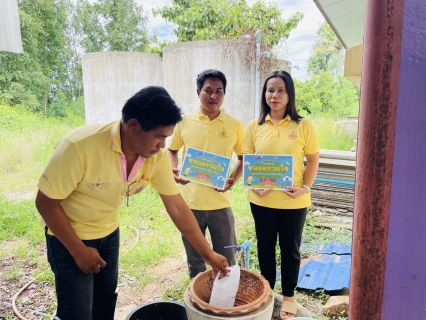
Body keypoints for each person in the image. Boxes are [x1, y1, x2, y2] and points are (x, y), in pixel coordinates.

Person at [35, 86, 229, 320]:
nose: (163, 146)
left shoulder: (154, 158)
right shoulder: (80, 146)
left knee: (105, 302)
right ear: (134, 126)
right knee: (76, 311)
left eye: (166, 137)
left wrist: (208, 254)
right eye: (159, 136)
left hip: (109, 232)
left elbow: (177, 206)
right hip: (68, 236)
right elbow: (45, 203)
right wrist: (78, 250)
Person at [242, 71, 319, 319]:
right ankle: (267, 292)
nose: (274, 95)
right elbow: (248, 161)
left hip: (293, 201)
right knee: (265, 247)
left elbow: (313, 160)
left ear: (289, 95)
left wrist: (305, 188)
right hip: (261, 201)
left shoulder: (304, 125)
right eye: (270, 90)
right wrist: (253, 185)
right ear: (264, 94)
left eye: (280, 90)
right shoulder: (254, 126)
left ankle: (288, 296)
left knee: (290, 249)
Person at [168, 69, 245, 279]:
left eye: (218, 91)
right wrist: (175, 170)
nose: (213, 96)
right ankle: (199, 300)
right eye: (208, 90)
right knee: (195, 260)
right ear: (198, 92)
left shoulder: (235, 125)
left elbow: (243, 157)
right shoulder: (183, 122)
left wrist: (232, 179)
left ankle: (225, 301)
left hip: (220, 203)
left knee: (228, 258)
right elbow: (172, 149)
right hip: (190, 204)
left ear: (224, 94)